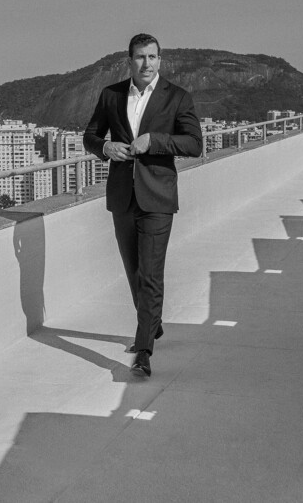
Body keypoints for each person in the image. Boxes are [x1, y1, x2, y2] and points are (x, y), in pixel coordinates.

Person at [83, 33, 202, 377]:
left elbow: (194, 143)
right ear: (129, 60)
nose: (146, 63)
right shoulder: (111, 95)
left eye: (152, 57)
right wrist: (105, 148)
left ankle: (144, 351)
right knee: (133, 270)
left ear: (160, 60)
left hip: (158, 196)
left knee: (150, 273)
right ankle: (153, 324)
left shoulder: (177, 97)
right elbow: (90, 135)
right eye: (139, 57)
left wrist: (155, 141)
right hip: (122, 195)